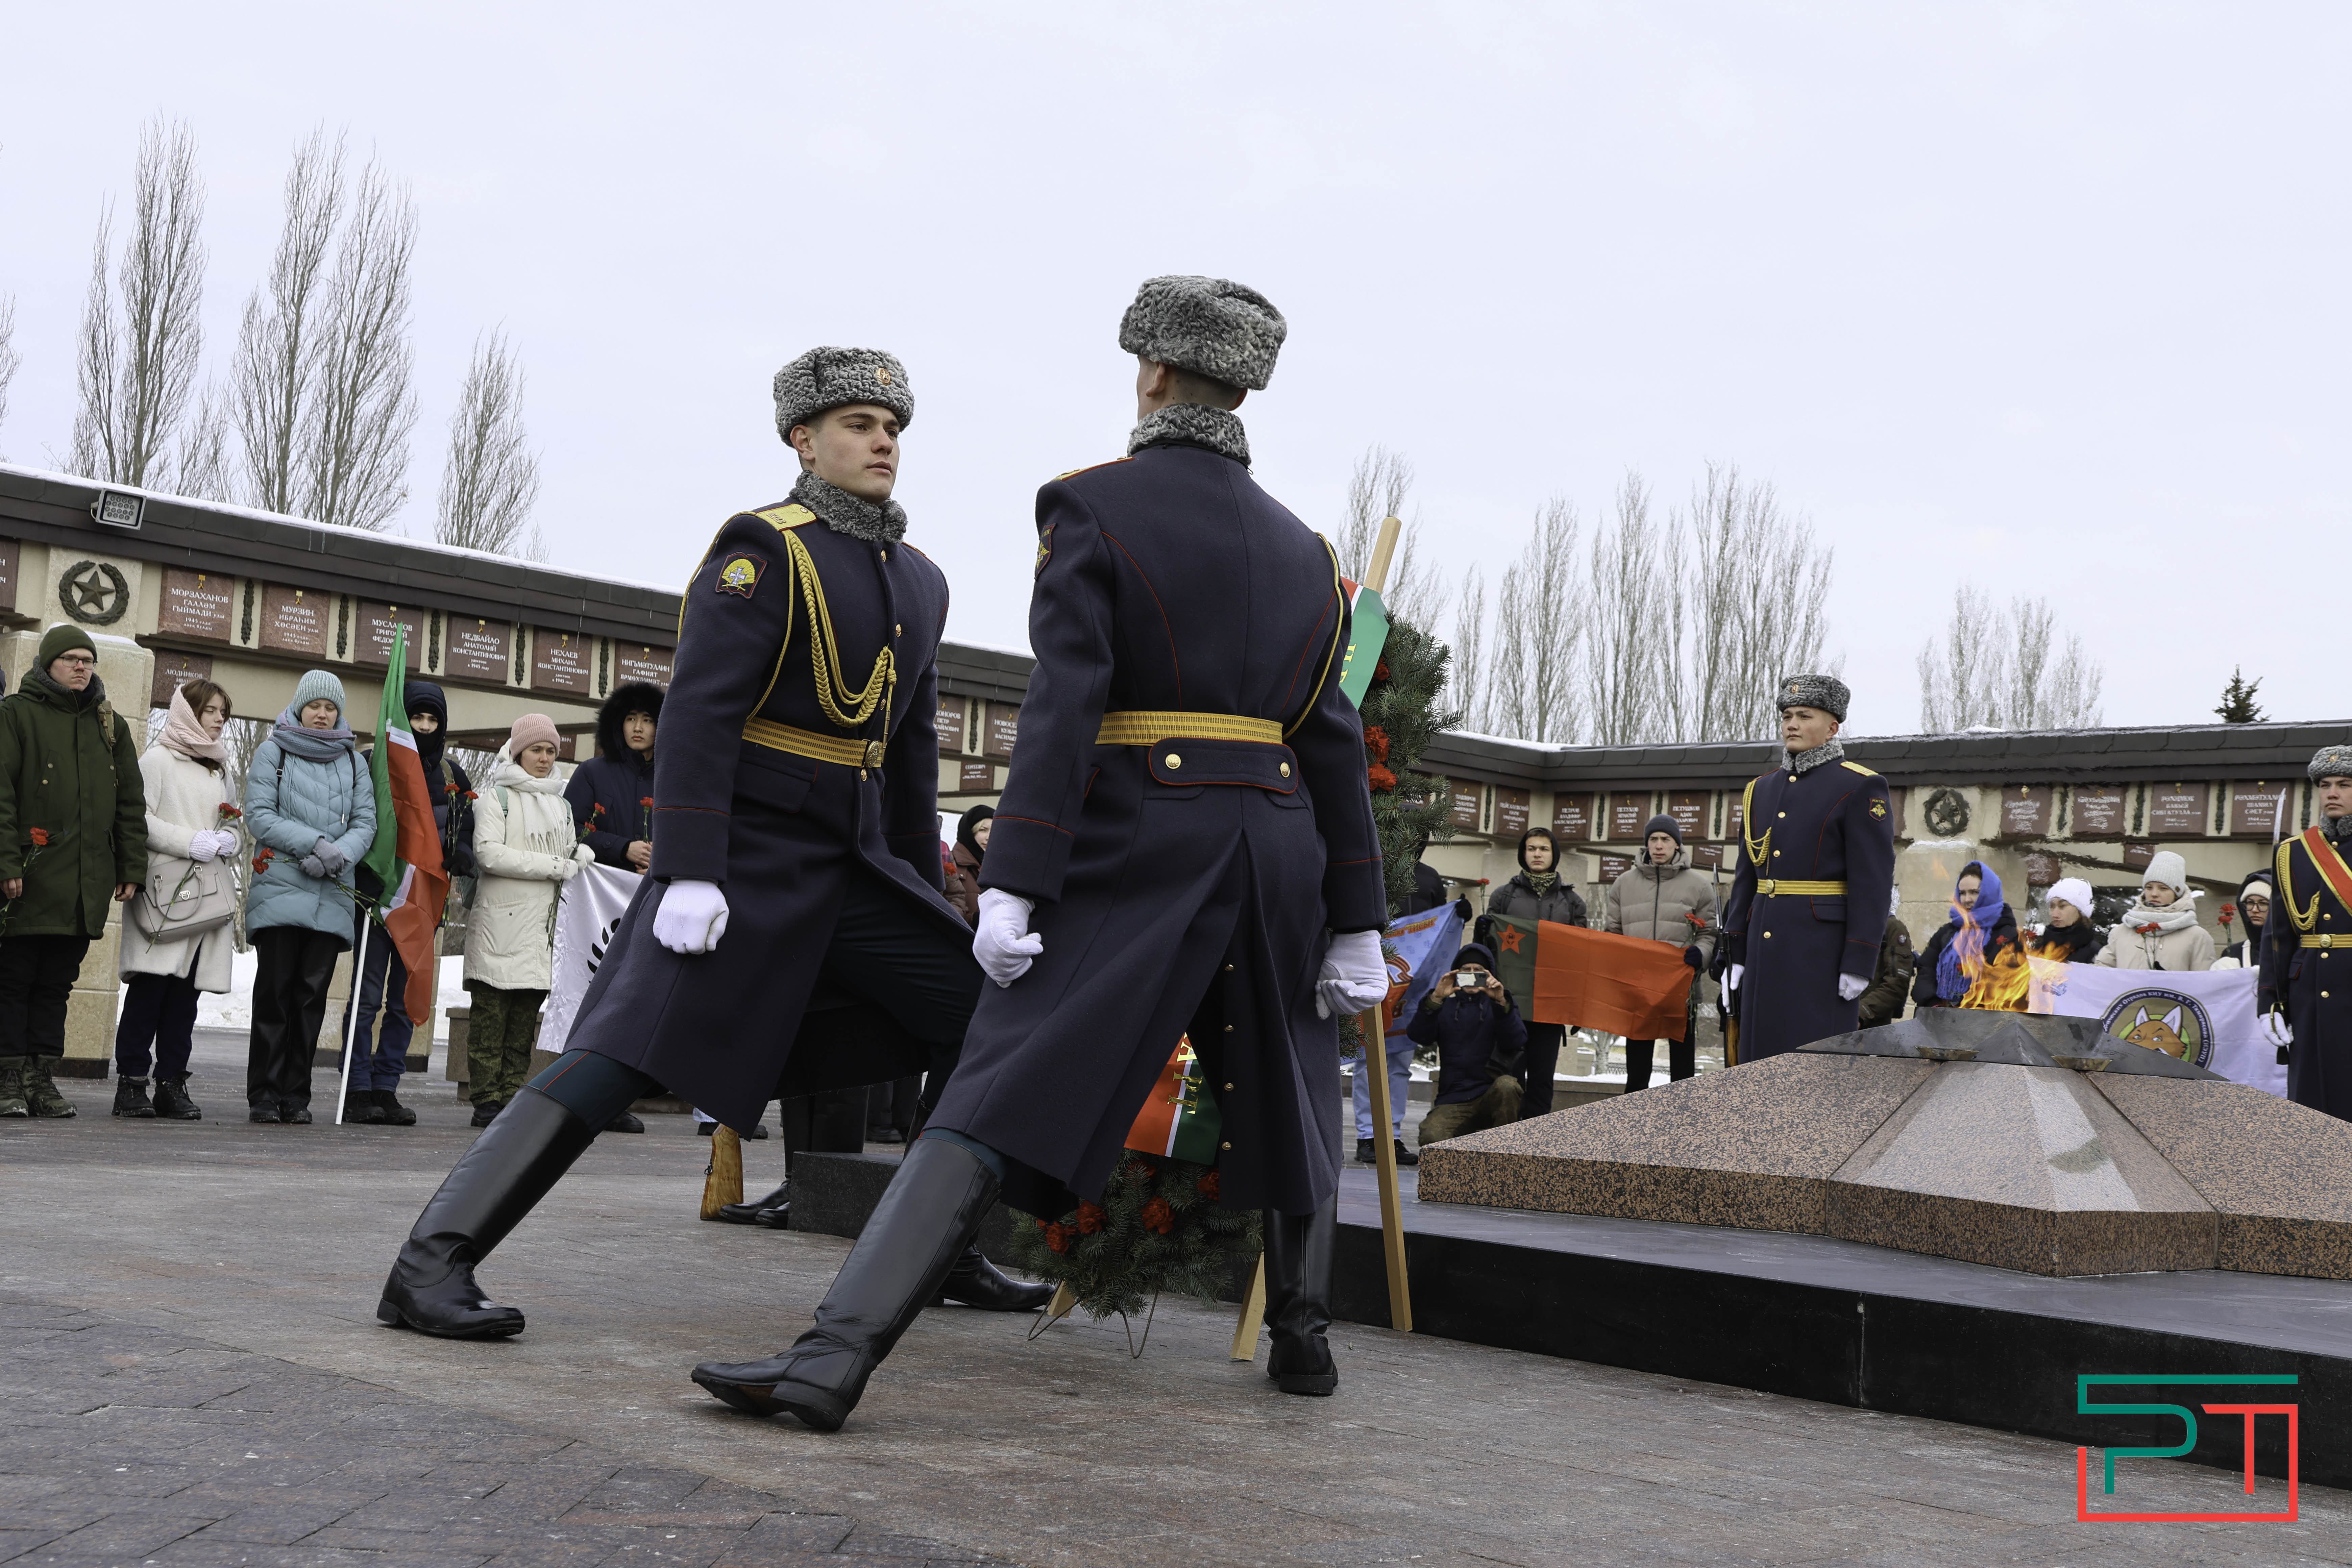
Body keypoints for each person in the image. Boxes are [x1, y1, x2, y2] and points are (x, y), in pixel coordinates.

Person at [688, 276, 1388, 1430]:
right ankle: (1303, 1344)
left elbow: (1067, 706)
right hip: (1275, 846)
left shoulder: (1093, 507)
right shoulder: (1307, 550)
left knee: (989, 1089)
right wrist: (1357, 914)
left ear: (1154, 375)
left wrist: (1013, 878)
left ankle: (830, 1361)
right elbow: (1329, 736)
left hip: (1139, 846)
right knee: (1287, 1085)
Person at [379, 345, 1048, 1340]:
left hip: (852, 865)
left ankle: (939, 1250)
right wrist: (689, 868)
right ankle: (430, 1264)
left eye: (893, 428)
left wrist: (928, 889)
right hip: (746, 859)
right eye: (860, 426)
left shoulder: (920, 579)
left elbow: (906, 747)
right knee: (616, 1054)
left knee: (980, 1014)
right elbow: (696, 713)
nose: (883, 443)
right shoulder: (762, 549)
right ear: (804, 439)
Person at [0, 624, 145, 1120]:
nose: (82, 667)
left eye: (88, 660)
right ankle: (7, 1079)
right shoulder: (15, 716)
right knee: (14, 980)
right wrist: (6, 863)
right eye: (71, 659)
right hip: (28, 877)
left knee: (57, 984)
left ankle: (41, 1079)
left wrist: (131, 865)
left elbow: (130, 804)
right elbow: (1, 798)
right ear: (47, 664)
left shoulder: (111, 726)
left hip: (85, 884)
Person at [1720, 676, 1895, 1059]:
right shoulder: (1760, 790)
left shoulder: (1860, 787)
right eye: (1787, 716)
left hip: (1821, 954)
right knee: (1758, 1066)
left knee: (1814, 1068)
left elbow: (1874, 883)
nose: (1792, 724)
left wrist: (1859, 958)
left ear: (1833, 727)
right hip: (1764, 952)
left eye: (1804, 715)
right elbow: (1747, 877)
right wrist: (1735, 948)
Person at [336, 681, 474, 1129]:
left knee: (403, 1000)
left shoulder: (453, 777)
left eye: (433, 720)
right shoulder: (372, 763)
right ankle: (357, 1086)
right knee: (367, 998)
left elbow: (465, 828)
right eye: (418, 717)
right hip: (378, 900)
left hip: (422, 904)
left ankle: (386, 1087)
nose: (425, 726)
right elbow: (353, 820)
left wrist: (462, 853)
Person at [243, 670, 376, 1126]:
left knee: (310, 1001)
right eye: (315, 706)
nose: (322, 715)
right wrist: (315, 843)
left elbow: (366, 823)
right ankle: (263, 1094)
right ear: (300, 706)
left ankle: (296, 1096)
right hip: (282, 890)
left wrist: (338, 854)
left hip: (331, 895)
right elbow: (259, 815)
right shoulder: (272, 751)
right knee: (275, 998)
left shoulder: (354, 763)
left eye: (330, 708)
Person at [461, 715, 595, 1128]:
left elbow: (568, 852)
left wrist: (581, 855)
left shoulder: (562, 804)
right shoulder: (495, 798)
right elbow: (489, 854)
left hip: (541, 933)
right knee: (490, 1019)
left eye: (551, 751)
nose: (544, 758)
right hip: (499, 928)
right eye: (536, 749)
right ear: (518, 750)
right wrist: (557, 864)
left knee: (522, 1024)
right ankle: (485, 1098)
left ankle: (511, 1095)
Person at [114, 680, 239, 1121]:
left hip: (204, 899)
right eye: (210, 711)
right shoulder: (158, 759)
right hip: (166, 895)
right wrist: (191, 841)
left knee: (185, 1000)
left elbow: (234, 823)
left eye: (223, 712)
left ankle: (171, 1083)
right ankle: (131, 1085)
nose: (219, 719)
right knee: (150, 992)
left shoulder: (220, 768)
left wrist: (229, 840)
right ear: (189, 712)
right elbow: (137, 818)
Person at [2262, 748, 2352, 1119]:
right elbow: (2277, 935)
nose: (2332, 792)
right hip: (2308, 996)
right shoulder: (2293, 853)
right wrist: (2269, 1002)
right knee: (2310, 1106)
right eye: (2325, 784)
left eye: (2345, 784)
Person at [1602, 815, 1715, 1091]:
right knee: (1638, 1072)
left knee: (1682, 1071)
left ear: (1677, 845)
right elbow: (1612, 933)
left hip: (1682, 990)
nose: (1659, 846)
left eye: (1665, 839)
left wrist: (1701, 955)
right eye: (1653, 839)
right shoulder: (1624, 884)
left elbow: (1709, 933)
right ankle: (1634, 1126)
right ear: (1646, 844)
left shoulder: (1699, 886)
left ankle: (1683, 1124)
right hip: (1638, 991)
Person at [1482, 826, 1586, 1114]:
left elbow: (1583, 958)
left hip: (1551, 1005)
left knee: (1542, 1079)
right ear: (1522, 854)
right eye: (1531, 849)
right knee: (1510, 1077)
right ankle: (1505, 1141)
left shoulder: (1572, 902)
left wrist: (1578, 1005)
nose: (1537, 854)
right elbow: (1489, 951)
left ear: (1554, 855)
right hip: (1511, 1004)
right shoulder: (1504, 896)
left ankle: (1535, 1145)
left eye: (1544, 849)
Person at [1407, 944, 1527, 1146]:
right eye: (1466, 971)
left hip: (1491, 1097)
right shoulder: (1446, 1006)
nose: (1472, 975)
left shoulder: (1499, 1004)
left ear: (1489, 975)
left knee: (1508, 1086)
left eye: (1478, 971)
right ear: (1456, 974)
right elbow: (1419, 1036)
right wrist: (1435, 999)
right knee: (1431, 1138)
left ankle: (1506, 1152)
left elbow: (1516, 1041)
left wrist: (1500, 1003)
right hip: (1453, 1100)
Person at [567, 681, 662, 872]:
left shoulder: (673, 779)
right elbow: (568, 830)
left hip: (656, 892)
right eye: (631, 719)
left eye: (648, 720)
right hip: (600, 892)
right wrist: (623, 848)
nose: (638, 728)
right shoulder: (591, 772)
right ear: (619, 724)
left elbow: (690, 836)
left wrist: (662, 864)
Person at [1911, 861, 2022, 1009]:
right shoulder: (1948, 932)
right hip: (1939, 1018)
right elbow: (1926, 969)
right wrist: (1933, 1003)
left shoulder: (2007, 935)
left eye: (1974, 892)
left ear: (1989, 893)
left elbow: (2009, 983)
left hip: (1984, 1019)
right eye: (1962, 893)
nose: (1967, 900)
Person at [2096, 852, 2214, 972]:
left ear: (2177, 894)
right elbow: (2101, 973)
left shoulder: (2197, 937)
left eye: (2163, 889)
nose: (2154, 894)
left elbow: (2204, 983)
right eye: (2149, 887)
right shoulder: (2121, 932)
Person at [1856, 886, 1915, 1028]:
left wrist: (1861, 1013)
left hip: (1868, 1026)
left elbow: (1896, 985)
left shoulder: (1892, 928)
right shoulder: (1855, 926)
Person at [2032, 875, 2106, 964]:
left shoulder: (2095, 952)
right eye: (2052, 907)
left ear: (2080, 911)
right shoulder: (2039, 947)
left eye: (2063, 906)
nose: (2054, 914)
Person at [941, 803, 990, 924]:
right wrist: (975, 920)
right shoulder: (949, 864)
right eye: (983, 830)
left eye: (995, 831)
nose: (989, 837)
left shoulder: (997, 869)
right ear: (970, 833)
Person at [2214, 872, 2272, 969]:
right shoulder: (2233, 954)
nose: (2255, 910)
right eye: (2250, 903)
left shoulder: (2295, 951)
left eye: (2263, 903)